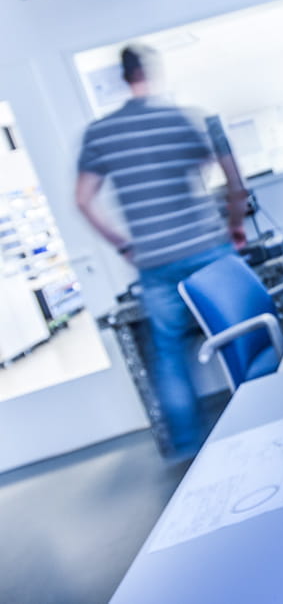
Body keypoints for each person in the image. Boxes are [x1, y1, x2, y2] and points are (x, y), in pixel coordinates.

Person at [75, 45, 248, 454]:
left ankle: (187, 450)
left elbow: (83, 200)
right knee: (241, 332)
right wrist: (236, 225)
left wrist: (124, 246)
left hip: (154, 261)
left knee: (169, 355)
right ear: (148, 72)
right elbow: (232, 179)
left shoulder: (100, 133)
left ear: (123, 77)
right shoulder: (181, 119)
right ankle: (270, 414)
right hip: (207, 248)